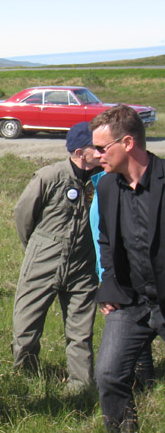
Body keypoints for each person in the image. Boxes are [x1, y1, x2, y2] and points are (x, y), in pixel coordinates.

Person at [11, 122, 101, 391]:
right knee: (26, 324)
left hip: (83, 265)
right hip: (43, 260)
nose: (100, 153)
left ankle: (80, 386)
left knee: (81, 331)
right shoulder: (50, 177)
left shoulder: (104, 179)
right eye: (94, 148)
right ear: (78, 151)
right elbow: (23, 214)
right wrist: (38, 249)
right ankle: (25, 377)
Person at [91, 104, 165, 432]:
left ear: (128, 144)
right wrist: (109, 285)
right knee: (108, 375)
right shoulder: (106, 187)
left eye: (101, 148)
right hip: (131, 301)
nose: (95, 156)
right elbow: (106, 241)